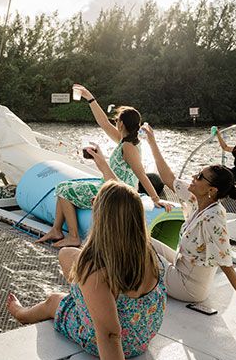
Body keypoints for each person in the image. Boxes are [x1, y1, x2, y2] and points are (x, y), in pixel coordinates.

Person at [8, 178, 167, 360]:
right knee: (66, 254)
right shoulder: (146, 251)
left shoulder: (93, 267)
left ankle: (21, 314)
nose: (92, 202)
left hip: (122, 342)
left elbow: (110, 336)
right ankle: (89, 298)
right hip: (143, 331)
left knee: (54, 301)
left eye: (95, 200)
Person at [145, 124, 236, 326]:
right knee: (140, 237)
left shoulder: (214, 218)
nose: (193, 178)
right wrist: (152, 142)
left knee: (138, 251)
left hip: (188, 286)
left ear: (211, 189)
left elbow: (227, 265)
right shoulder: (198, 199)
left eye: (199, 177)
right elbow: (168, 177)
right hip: (181, 266)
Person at [36, 83, 172, 247]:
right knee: (64, 185)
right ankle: (56, 230)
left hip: (118, 190)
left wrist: (156, 199)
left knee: (64, 190)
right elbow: (103, 123)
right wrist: (89, 97)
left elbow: (141, 174)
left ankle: (73, 236)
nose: (114, 122)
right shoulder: (125, 140)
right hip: (108, 183)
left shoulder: (129, 147)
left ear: (121, 124)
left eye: (117, 120)